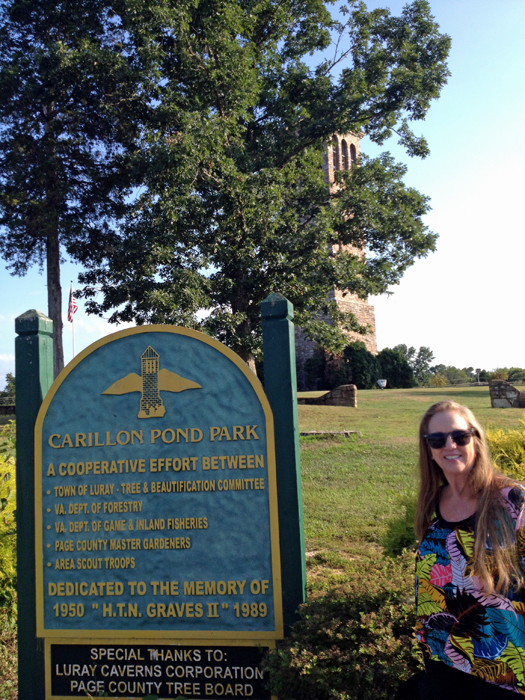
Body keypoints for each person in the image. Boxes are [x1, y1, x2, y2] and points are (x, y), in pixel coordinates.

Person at [413, 400, 525, 699]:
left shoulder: (512, 501)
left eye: (459, 436)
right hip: (444, 659)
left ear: (475, 439)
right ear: (429, 450)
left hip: (502, 669)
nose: (449, 445)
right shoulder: (431, 503)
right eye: (437, 440)